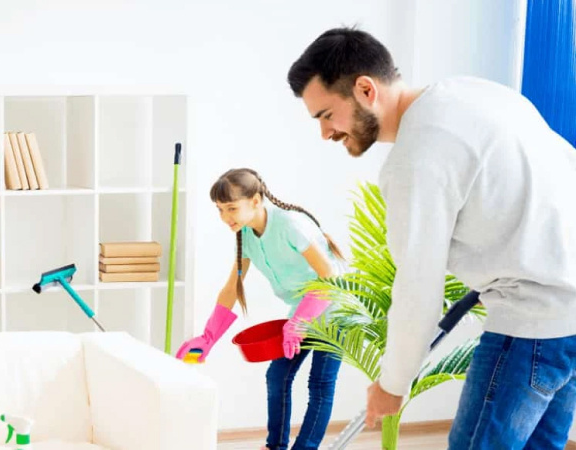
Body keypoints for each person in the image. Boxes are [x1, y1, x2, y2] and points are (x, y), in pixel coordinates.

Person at [287, 26, 576, 449]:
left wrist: (392, 383)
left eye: (327, 115)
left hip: (531, 326)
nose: (325, 133)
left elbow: (418, 286)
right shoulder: (475, 94)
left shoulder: (416, 158)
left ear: (366, 90)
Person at [176, 168, 346, 450]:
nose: (225, 217)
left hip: (335, 308)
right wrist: (208, 338)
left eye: (231, 208)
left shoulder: (290, 224)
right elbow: (232, 287)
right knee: (277, 376)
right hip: (302, 311)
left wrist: (299, 323)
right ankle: (275, 446)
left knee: (320, 384)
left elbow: (330, 279)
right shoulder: (246, 235)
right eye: (219, 210)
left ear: (255, 200)